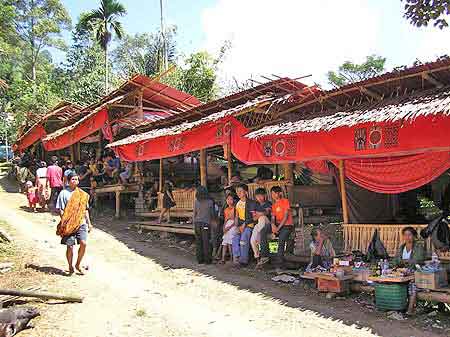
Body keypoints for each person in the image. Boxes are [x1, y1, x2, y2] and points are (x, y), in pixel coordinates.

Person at [56, 172, 92, 275]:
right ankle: (70, 266)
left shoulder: (82, 194)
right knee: (70, 246)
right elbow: (61, 210)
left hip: (81, 222)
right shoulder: (63, 193)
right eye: (73, 179)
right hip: (69, 224)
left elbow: (85, 210)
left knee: (83, 244)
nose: (75, 181)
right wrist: (65, 223)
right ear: (68, 181)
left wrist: (89, 223)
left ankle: (78, 264)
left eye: (77, 179)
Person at [259, 186, 294, 267]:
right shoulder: (274, 205)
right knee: (263, 231)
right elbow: (272, 218)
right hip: (277, 225)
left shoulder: (285, 201)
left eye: (274, 193)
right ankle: (265, 256)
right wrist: (272, 225)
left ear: (279, 193)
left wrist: (277, 229)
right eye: (272, 193)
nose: (273, 195)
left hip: (287, 225)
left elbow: (285, 217)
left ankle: (279, 264)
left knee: (281, 241)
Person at [393, 227, 425, 315]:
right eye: (405, 235)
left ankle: (410, 309)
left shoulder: (418, 246)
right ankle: (397, 306)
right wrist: (397, 267)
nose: (407, 237)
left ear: (414, 236)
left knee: (413, 283)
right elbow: (396, 260)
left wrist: (404, 263)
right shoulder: (401, 247)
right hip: (401, 272)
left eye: (410, 235)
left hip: (415, 272)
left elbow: (418, 260)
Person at [232, 184, 257, 265]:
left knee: (243, 238)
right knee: (235, 237)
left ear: (245, 192)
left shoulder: (251, 203)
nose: (238, 193)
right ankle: (236, 258)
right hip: (240, 226)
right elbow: (236, 217)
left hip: (249, 226)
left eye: (240, 191)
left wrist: (244, 225)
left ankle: (244, 260)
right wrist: (236, 227)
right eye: (237, 191)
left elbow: (254, 218)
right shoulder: (237, 203)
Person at [193, 186, 216, 264]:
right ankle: (207, 260)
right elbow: (212, 214)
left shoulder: (196, 201)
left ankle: (200, 259)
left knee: (198, 242)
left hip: (197, 223)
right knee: (206, 242)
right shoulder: (210, 202)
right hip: (205, 223)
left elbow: (194, 213)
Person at [250, 188, 272, 265]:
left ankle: (260, 239)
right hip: (258, 224)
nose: (259, 198)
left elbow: (266, 213)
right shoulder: (254, 204)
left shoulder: (268, 203)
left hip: (268, 224)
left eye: (261, 196)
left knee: (262, 218)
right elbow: (254, 218)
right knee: (252, 240)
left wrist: (259, 213)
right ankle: (258, 258)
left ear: (265, 196)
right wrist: (261, 213)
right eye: (257, 196)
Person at [220, 193, 237, 264]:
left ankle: (232, 258)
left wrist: (229, 227)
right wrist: (224, 228)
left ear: (234, 200)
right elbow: (225, 220)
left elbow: (235, 220)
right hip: (227, 226)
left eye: (231, 199)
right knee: (224, 243)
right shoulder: (226, 209)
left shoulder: (235, 209)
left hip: (233, 226)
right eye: (228, 199)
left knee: (230, 242)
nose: (229, 201)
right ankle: (223, 258)